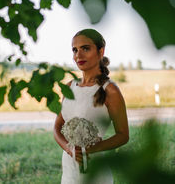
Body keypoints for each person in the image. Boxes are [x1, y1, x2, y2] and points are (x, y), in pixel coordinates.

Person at [53, 29, 129, 184]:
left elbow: (123, 135)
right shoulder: (69, 86)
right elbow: (57, 127)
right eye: (75, 50)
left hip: (95, 171)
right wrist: (69, 149)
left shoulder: (110, 90)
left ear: (100, 51)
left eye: (85, 49)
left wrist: (91, 148)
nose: (78, 55)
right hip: (69, 170)